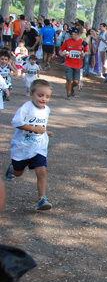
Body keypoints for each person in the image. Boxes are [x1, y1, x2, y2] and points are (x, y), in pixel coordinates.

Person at [5, 79, 54, 210]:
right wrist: (35, 129)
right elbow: (16, 122)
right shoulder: (26, 107)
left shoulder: (46, 109)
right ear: (31, 93)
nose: (44, 99)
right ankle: (12, 169)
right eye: (40, 95)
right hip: (22, 146)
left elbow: (41, 124)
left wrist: (45, 131)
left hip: (38, 147)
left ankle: (42, 198)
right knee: (18, 173)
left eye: (47, 96)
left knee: (41, 171)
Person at [59, 27, 87, 99]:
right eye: (69, 34)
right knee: (69, 79)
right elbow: (60, 51)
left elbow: (86, 51)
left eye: (72, 34)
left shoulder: (82, 42)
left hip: (77, 64)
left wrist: (83, 54)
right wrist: (62, 54)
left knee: (76, 82)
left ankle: (71, 87)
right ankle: (68, 94)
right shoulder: (67, 41)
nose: (70, 35)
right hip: (68, 63)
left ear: (77, 34)